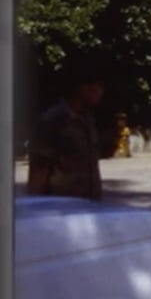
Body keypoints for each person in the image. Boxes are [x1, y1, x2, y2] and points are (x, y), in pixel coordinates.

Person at [27, 56, 105, 201]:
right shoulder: (53, 121)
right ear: (83, 88)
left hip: (90, 210)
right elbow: (39, 172)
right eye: (98, 85)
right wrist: (36, 210)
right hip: (61, 211)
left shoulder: (88, 120)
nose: (101, 91)